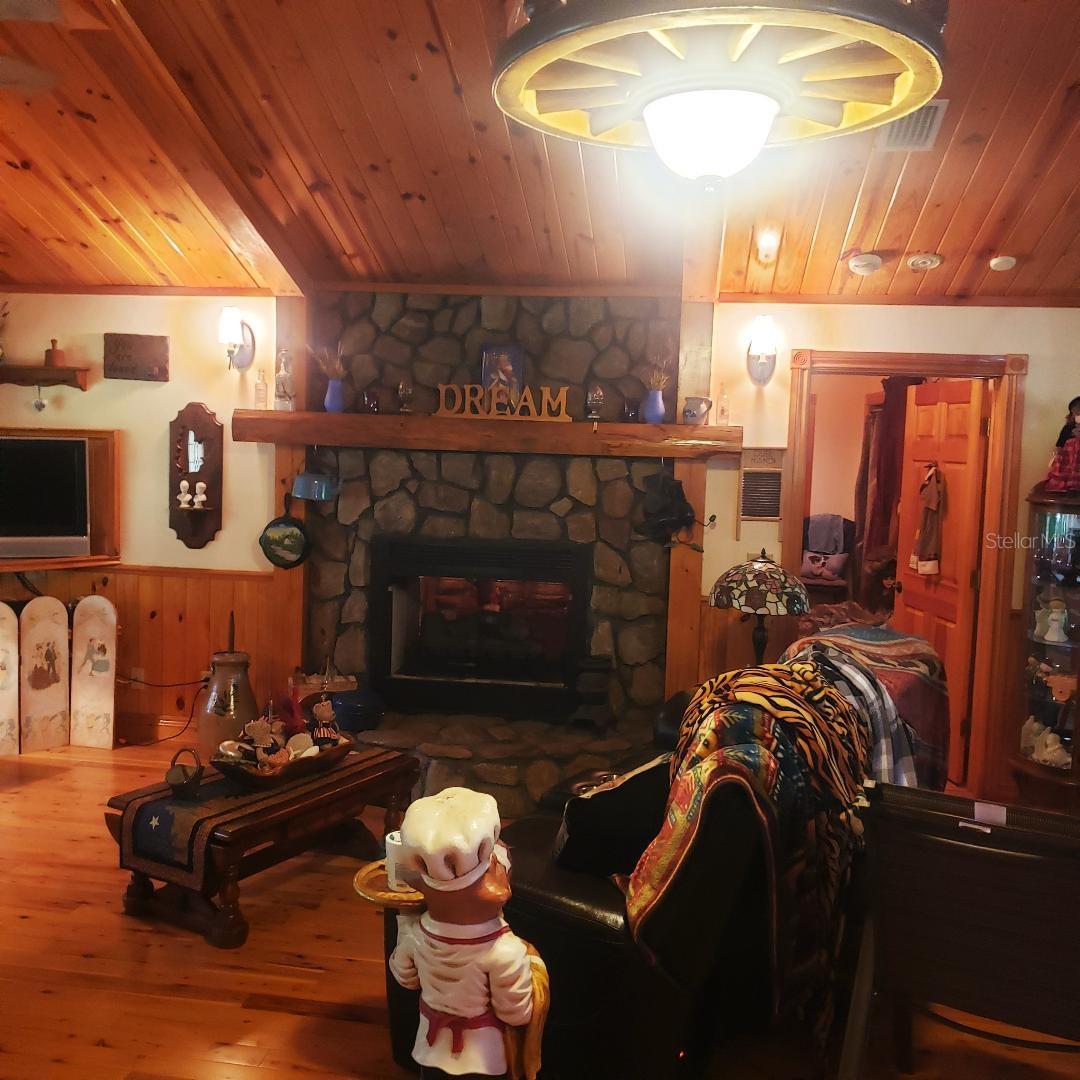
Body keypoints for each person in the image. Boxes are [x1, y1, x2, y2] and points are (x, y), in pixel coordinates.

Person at [389, 787, 546, 1079]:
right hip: (483, 1059)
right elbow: (516, 1013)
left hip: (429, 1048)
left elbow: (405, 977)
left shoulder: (416, 935)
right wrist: (533, 968)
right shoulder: (505, 951)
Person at [1046, 394, 1080, 492]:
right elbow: (1060, 445)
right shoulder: (1068, 428)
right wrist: (1054, 458)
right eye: (1078, 413)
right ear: (1073, 415)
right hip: (1068, 459)